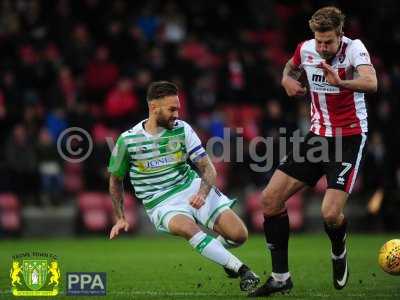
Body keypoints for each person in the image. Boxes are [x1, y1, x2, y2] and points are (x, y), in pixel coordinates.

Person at [250, 6, 377, 297]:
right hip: (316, 139)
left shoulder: (355, 49)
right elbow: (290, 66)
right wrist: (286, 79)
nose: (322, 47)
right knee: (270, 200)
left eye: (328, 42)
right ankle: (281, 278)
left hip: (348, 138)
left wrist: (341, 82)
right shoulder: (306, 49)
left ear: (340, 35)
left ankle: (338, 245)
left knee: (330, 214)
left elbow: (372, 83)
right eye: (319, 41)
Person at [108, 81, 260, 291]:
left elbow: (208, 168)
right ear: (154, 108)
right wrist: (120, 217)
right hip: (161, 202)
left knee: (239, 235)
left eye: (178, 108)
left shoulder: (183, 129)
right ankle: (243, 270)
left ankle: (219, 252)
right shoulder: (128, 140)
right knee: (189, 228)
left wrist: (202, 193)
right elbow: (115, 179)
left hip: (190, 187)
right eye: (172, 109)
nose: (177, 114)